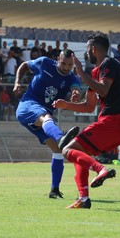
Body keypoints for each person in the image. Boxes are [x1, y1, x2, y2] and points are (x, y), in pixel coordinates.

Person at [54, 34, 120, 209]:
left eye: (87, 49)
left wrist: (81, 72)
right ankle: (83, 198)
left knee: (67, 150)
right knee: (78, 152)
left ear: (93, 49)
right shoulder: (96, 72)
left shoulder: (109, 64)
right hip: (118, 123)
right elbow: (90, 106)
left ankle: (101, 169)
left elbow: (103, 90)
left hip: (116, 119)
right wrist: (66, 105)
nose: (86, 53)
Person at [14, 49, 81, 200]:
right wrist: (17, 81)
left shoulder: (72, 78)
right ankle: (60, 137)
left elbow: (75, 88)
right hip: (28, 105)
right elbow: (24, 65)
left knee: (57, 150)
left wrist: (75, 94)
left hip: (44, 119)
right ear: (58, 59)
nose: (65, 67)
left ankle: (54, 190)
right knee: (46, 118)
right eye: (63, 63)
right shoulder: (44, 62)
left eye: (69, 65)